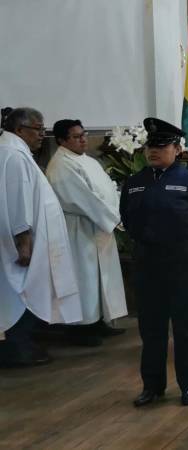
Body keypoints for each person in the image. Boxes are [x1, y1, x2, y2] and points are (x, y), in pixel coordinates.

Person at [120, 117, 188, 406]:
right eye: (151, 146)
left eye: (162, 146)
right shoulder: (135, 183)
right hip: (147, 260)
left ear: (177, 149)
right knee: (151, 327)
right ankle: (152, 386)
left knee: (186, 324)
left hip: (183, 259)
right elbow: (127, 219)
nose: (154, 151)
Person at [0, 107, 82, 368]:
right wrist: (23, 244)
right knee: (22, 294)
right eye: (38, 129)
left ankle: (22, 345)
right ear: (20, 130)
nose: (42, 135)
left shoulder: (13, 151)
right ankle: (18, 349)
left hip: (24, 241)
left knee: (24, 293)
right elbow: (18, 202)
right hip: (22, 246)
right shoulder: (13, 155)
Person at [45, 119, 127, 346]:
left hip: (97, 227)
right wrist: (114, 218)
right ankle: (79, 328)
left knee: (99, 279)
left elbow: (108, 189)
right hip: (79, 230)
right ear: (61, 140)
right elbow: (84, 199)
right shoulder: (61, 165)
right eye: (76, 136)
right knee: (84, 280)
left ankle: (99, 320)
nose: (83, 139)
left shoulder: (87, 160)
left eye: (84, 134)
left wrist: (118, 210)